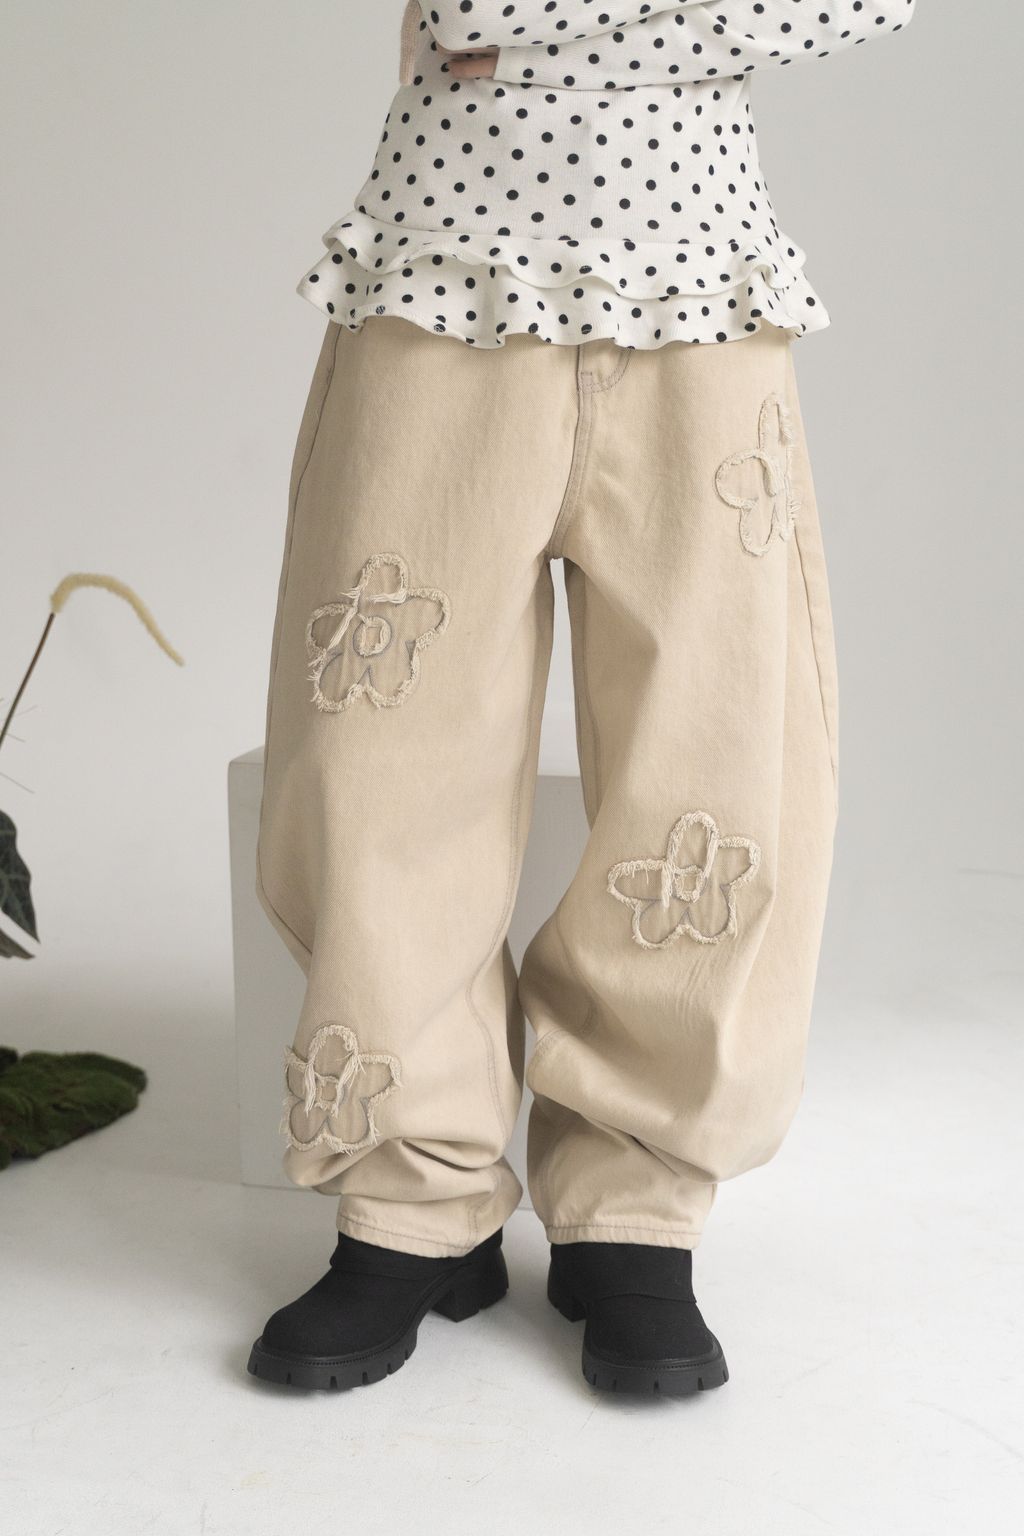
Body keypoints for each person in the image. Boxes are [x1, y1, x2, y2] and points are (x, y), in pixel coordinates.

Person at [247, 0, 916, 1397]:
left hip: (699, 290)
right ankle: (411, 1200)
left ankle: (635, 1207)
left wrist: (526, 40)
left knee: (716, 767)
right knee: (376, 761)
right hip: (444, 271)